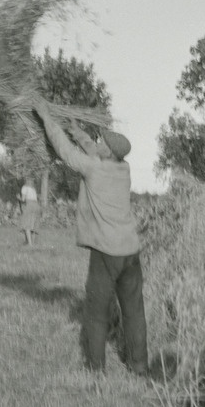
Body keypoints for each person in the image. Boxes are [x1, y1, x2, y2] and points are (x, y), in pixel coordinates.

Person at [33, 103, 148, 376]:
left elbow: (64, 149)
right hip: (130, 251)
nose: (97, 144)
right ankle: (140, 365)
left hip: (106, 252)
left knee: (96, 311)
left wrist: (47, 117)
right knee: (134, 311)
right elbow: (95, 150)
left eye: (101, 142)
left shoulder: (93, 169)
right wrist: (77, 130)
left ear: (107, 151)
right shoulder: (123, 169)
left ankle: (95, 369)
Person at [16, 178, 40, 245]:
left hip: (30, 205)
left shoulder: (24, 187)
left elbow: (23, 200)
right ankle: (32, 242)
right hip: (37, 206)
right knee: (33, 225)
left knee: (27, 225)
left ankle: (30, 244)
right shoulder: (33, 188)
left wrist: (18, 198)